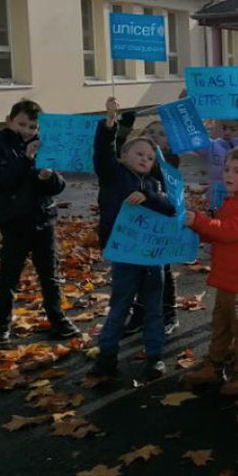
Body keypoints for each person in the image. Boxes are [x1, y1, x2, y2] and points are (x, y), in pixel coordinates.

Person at [88, 97, 176, 380]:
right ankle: (107, 356)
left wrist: (148, 195)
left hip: (151, 257)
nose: (144, 159)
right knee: (119, 306)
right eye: (139, 153)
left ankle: (154, 356)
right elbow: (103, 152)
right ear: (124, 154)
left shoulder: (154, 184)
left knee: (153, 308)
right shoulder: (113, 175)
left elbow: (170, 207)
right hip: (124, 254)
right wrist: (110, 124)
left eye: (150, 158)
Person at [0, 99, 79, 348]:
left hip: (42, 218)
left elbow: (58, 186)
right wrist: (27, 160)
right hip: (14, 220)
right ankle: (0, 326)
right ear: (9, 121)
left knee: (50, 274)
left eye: (32, 127)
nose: (27, 131)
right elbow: (1, 181)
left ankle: (57, 318)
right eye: (21, 124)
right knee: (9, 275)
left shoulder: (44, 144)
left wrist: (49, 177)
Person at [182, 147, 238, 395]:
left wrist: (199, 222)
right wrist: (199, 226)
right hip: (228, 274)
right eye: (227, 169)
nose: (229, 174)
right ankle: (214, 366)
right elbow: (221, 231)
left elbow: (229, 231)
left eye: (237, 170)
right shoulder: (237, 199)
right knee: (221, 322)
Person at [122, 120, 180, 337]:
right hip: (136, 228)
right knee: (138, 272)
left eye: (161, 134)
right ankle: (139, 314)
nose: (155, 135)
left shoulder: (168, 166)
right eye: (151, 131)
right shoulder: (132, 164)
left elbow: (170, 200)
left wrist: (149, 194)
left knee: (163, 271)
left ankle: (169, 313)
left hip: (159, 228)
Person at [197, 119, 238, 210]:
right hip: (216, 204)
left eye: (233, 129)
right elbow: (192, 139)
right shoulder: (214, 146)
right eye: (225, 128)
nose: (227, 132)